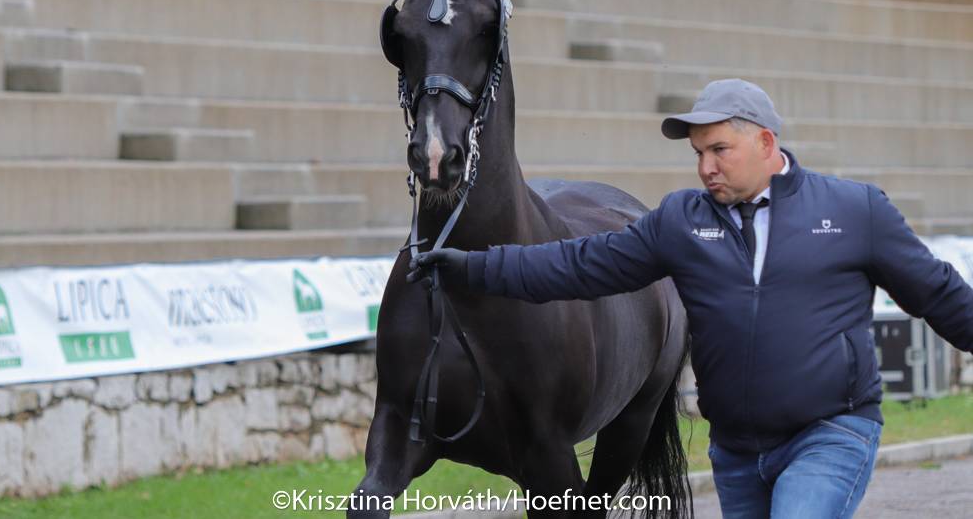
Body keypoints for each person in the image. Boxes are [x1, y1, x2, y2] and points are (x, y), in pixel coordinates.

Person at [407, 78, 973, 518]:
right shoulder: (681, 221)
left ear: (766, 142)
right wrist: (475, 267)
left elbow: (938, 293)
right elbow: (579, 265)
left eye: (719, 150)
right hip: (737, 450)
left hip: (830, 433)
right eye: (699, 153)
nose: (706, 167)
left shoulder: (854, 211)